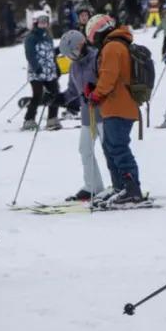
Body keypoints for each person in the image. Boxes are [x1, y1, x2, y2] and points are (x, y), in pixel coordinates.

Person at [87, 25, 145, 205]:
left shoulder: (112, 47)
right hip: (117, 105)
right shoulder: (118, 44)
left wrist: (96, 94)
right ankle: (120, 186)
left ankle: (132, 188)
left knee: (118, 148)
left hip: (119, 106)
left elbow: (108, 76)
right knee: (111, 147)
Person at [60, 30, 105, 202]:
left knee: (109, 149)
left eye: (71, 54)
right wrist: (58, 98)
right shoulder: (74, 66)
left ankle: (121, 185)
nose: (70, 58)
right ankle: (92, 186)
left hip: (103, 112)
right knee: (85, 149)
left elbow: (106, 83)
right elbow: (73, 91)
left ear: (80, 46)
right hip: (87, 115)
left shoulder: (97, 59)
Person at [23, 12, 61, 131]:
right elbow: (30, 54)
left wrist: (56, 67)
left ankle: (52, 119)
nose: (44, 23)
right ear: (35, 22)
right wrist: (36, 67)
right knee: (37, 96)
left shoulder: (48, 36)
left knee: (55, 93)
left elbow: (51, 53)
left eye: (45, 21)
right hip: (37, 73)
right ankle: (29, 120)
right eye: (41, 21)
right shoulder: (31, 37)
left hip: (49, 72)